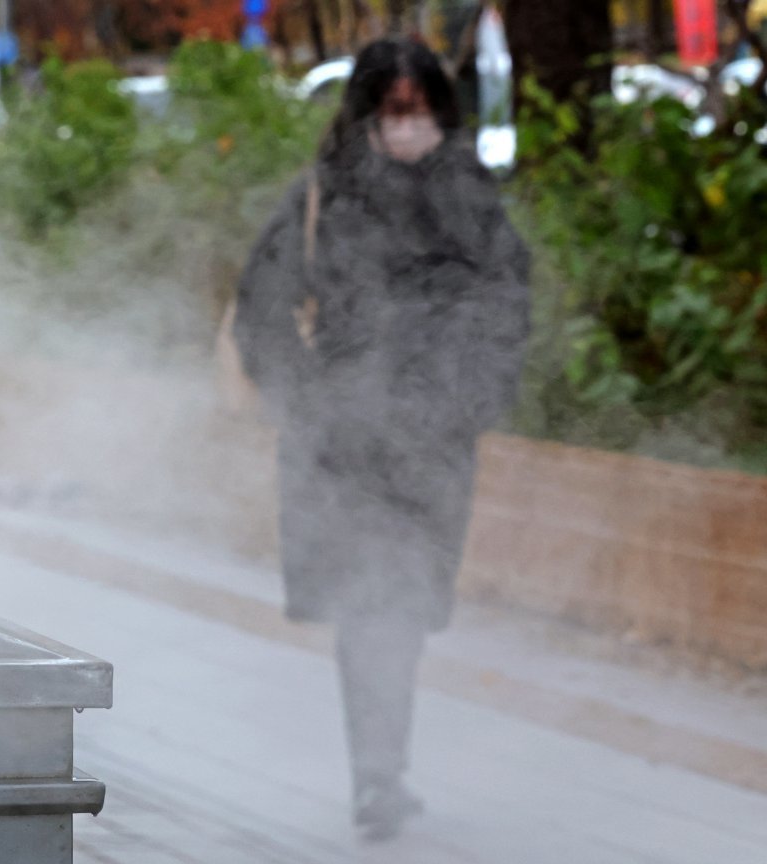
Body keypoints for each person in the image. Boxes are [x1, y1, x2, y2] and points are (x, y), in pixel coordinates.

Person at [233, 38, 529, 841]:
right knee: (375, 607)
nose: (411, 126)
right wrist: (311, 404)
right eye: (396, 110)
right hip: (345, 445)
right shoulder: (322, 197)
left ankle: (381, 769)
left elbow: (508, 309)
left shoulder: (472, 196)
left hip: (435, 442)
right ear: (366, 115)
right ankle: (379, 776)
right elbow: (261, 311)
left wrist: (468, 399)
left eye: (422, 109)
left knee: (405, 606)